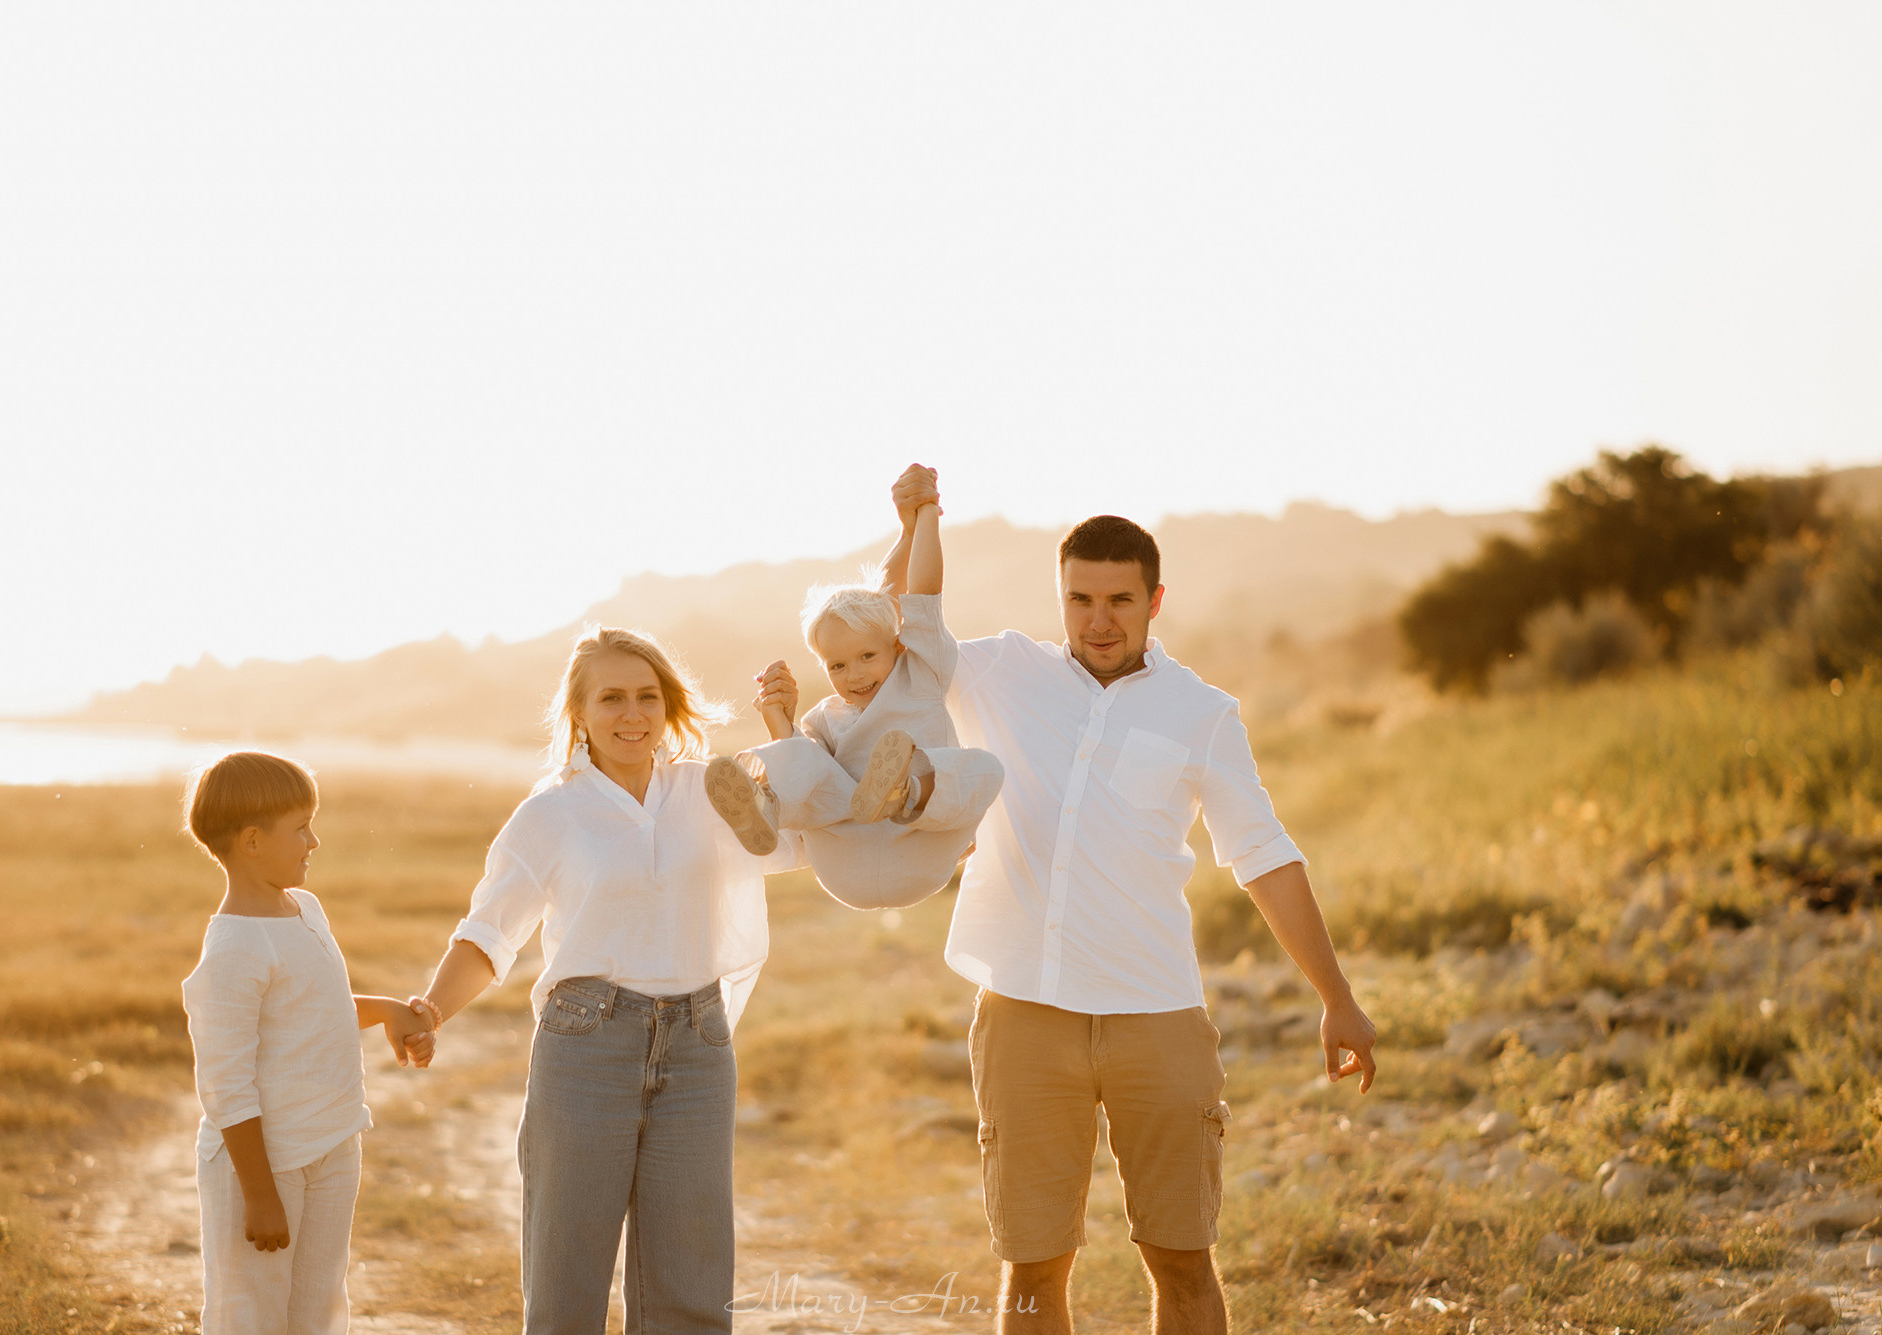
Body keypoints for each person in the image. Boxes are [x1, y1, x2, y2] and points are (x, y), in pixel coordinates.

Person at [916, 468, 1378, 1335]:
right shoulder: (1002, 674)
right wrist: (917, 520)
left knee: (1180, 1257)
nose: (1099, 619)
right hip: (1024, 1012)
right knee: (1032, 1263)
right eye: (1081, 598)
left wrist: (1337, 997)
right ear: (1060, 594)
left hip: (1156, 1014)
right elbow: (910, 631)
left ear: (1155, 599)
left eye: (1120, 599)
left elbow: (1264, 855)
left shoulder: (1201, 712)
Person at [408, 627, 797, 1335]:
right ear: (579, 713)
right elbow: (489, 931)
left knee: (694, 1285)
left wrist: (781, 727)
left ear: (669, 705)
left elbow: (792, 836)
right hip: (587, 1045)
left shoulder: (711, 786)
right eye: (611, 697)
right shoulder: (552, 813)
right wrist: (433, 1008)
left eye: (648, 696)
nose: (633, 713)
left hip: (699, 1045)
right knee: (567, 1282)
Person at [180, 751, 437, 1335]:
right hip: (263, 1166)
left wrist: (390, 1012)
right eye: (301, 828)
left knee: (319, 1311)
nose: (314, 841)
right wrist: (260, 1194)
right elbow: (226, 1086)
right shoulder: (233, 951)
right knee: (251, 1313)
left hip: (332, 1144)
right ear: (251, 841)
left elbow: (313, 1011)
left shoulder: (306, 910)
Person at [705, 494, 1005, 909]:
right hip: (844, 857)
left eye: (867, 657)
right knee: (804, 756)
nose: (855, 675)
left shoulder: (921, 674)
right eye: (838, 665)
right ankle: (764, 807)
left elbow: (921, 593)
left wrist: (925, 517)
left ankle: (905, 792)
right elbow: (805, 775)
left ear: (899, 646)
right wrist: (779, 716)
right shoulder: (825, 717)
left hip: (918, 848)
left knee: (985, 767)